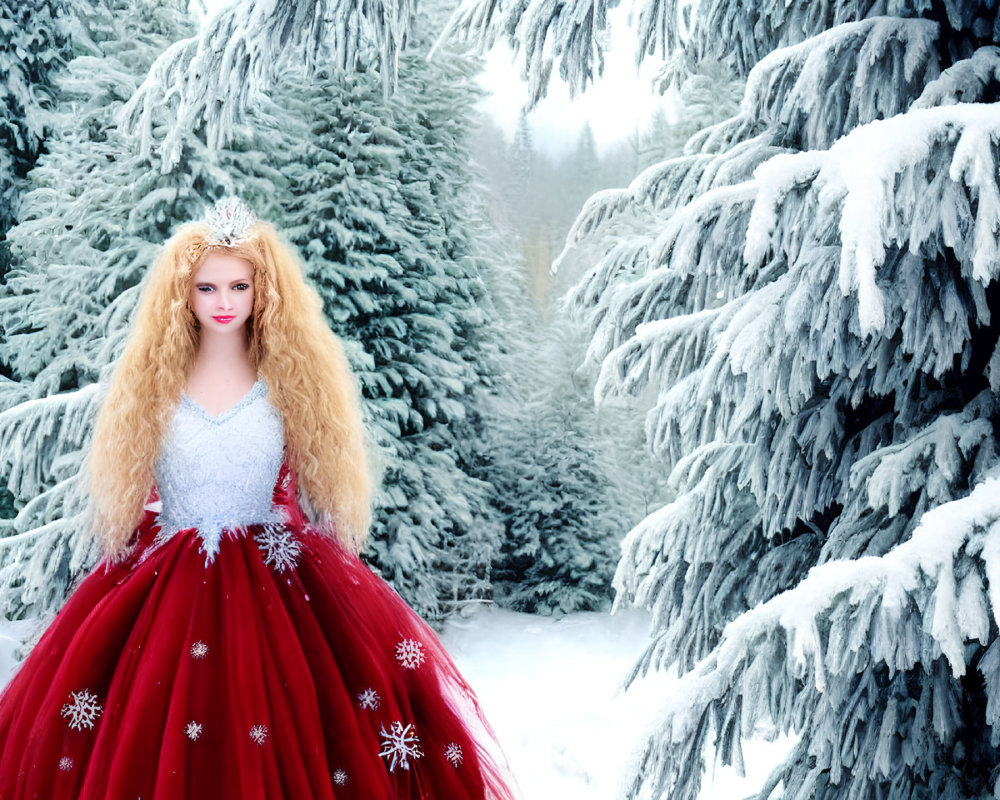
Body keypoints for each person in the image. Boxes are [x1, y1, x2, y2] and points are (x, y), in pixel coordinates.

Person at [0, 198, 518, 799]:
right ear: (183, 295)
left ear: (263, 289)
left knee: (313, 724)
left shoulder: (288, 383)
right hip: (166, 581)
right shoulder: (153, 386)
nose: (224, 302)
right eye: (208, 287)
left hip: (278, 577)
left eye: (239, 285)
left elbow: (317, 471)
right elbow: (131, 479)